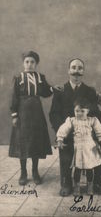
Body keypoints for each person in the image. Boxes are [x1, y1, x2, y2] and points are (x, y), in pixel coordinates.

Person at [49, 58, 101, 196]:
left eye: (80, 68)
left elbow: (96, 113)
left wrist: (94, 134)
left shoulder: (90, 91)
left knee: (95, 152)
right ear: (69, 71)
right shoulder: (60, 90)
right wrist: (61, 132)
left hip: (86, 132)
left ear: (83, 72)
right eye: (73, 68)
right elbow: (54, 113)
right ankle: (67, 183)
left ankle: (97, 181)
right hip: (67, 132)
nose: (76, 71)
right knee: (66, 155)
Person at [9, 50, 57, 186]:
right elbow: (14, 97)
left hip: (36, 112)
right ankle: (23, 172)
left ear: (36, 64)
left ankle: (35, 171)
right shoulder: (18, 78)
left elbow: (46, 92)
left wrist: (53, 89)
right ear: (23, 63)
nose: (29, 64)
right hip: (22, 113)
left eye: (32, 62)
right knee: (22, 142)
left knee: (35, 141)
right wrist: (14, 115)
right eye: (27, 62)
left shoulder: (40, 77)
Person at [56, 98, 101, 196]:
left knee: (90, 169)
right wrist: (60, 139)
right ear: (74, 111)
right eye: (77, 111)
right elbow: (63, 129)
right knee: (77, 169)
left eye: (82, 111)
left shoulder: (92, 120)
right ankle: (77, 187)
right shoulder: (72, 120)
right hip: (78, 149)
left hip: (90, 149)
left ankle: (90, 186)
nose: (79, 113)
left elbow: (100, 133)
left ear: (88, 111)